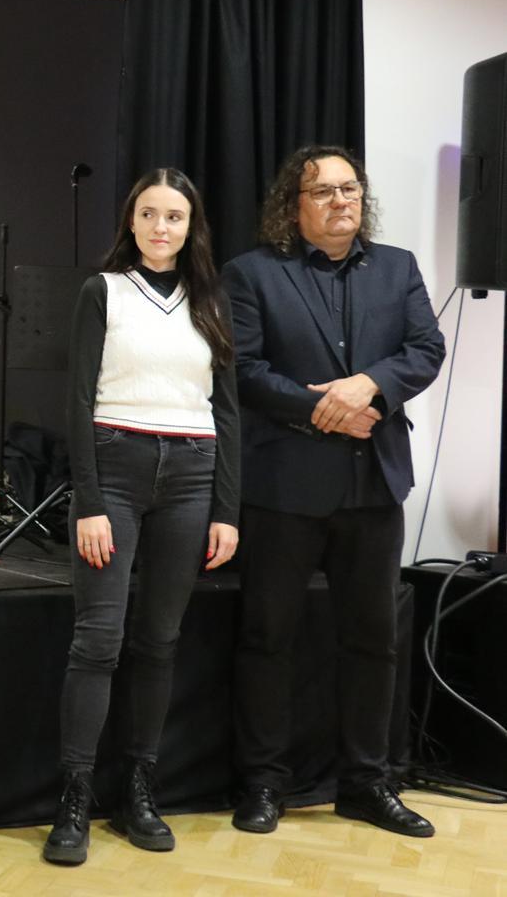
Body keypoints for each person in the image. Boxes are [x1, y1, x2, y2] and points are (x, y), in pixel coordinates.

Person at [223, 146, 445, 838]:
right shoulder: (252, 273)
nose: (341, 200)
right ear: (293, 206)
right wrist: (325, 408)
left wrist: (368, 386)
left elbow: (426, 350)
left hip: (374, 485)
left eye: (349, 188)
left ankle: (366, 784)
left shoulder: (399, 267)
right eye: (322, 191)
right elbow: (245, 371)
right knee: (268, 639)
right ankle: (264, 783)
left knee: (373, 643)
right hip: (284, 487)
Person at [44, 168, 240, 866]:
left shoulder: (211, 298)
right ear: (131, 220)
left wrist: (227, 509)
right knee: (98, 640)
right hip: (115, 467)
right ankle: (73, 796)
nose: (162, 227)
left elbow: (227, 409)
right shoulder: (104, 292)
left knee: (159, 640)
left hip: (192, 475)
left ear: (191, 227)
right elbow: (77, 401)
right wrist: (90, 501)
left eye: (175, 217)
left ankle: (138, 790)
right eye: (150, 214)